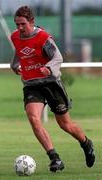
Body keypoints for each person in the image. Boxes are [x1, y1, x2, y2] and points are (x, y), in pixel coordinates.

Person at [10, 6, 95, 172]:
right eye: (17, 24)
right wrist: (14, 65)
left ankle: (86, 143)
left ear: (32, 22)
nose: (19, 28)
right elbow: (18, 52)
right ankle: (55, 158)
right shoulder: (15, 37)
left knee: (65, 124)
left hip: (51, 83)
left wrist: (48, 68)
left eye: (22, 24)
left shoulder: (43, 38)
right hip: (31, 85)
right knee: (33, 118)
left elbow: (58, 57)